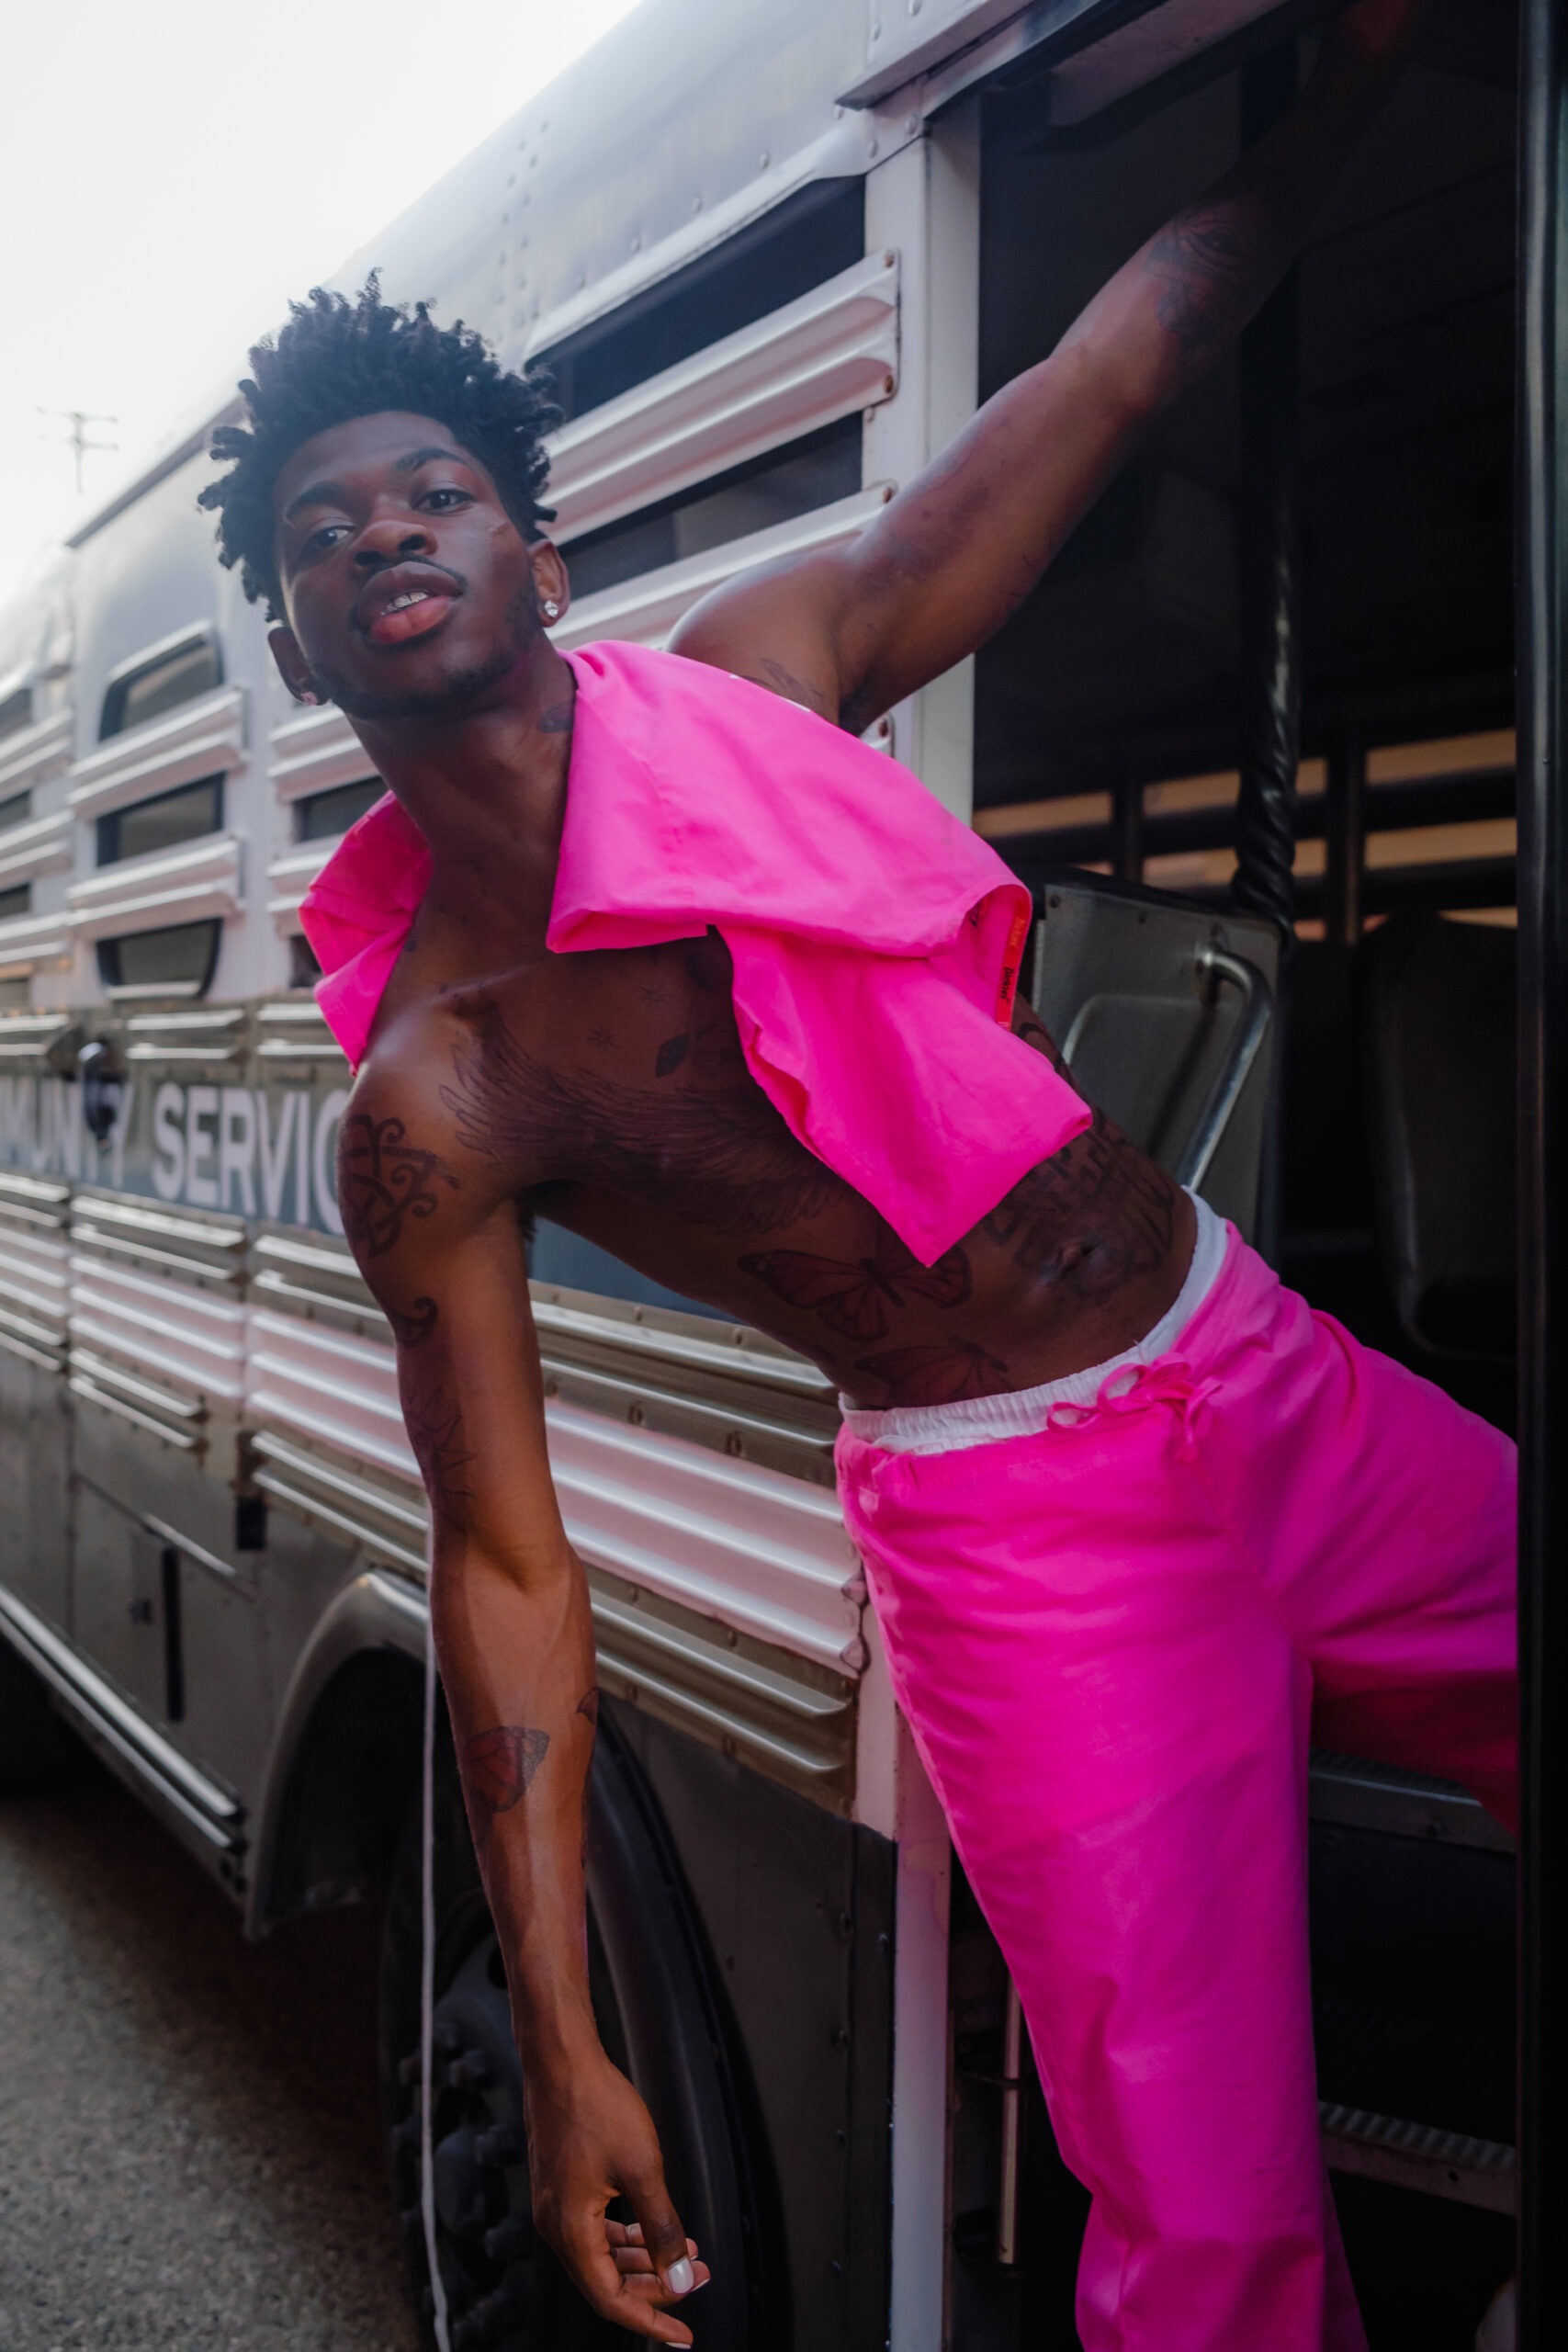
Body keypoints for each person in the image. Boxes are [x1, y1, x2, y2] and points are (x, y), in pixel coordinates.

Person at [200, 3, 1514, 2343]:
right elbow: (504, 1568)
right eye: (320, 534)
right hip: (1024, 1530)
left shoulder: (769, 666)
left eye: (425, 491)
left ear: (534, 537)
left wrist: (1349, 95)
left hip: (1258, 1361)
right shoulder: (437, 1097)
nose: (378, 533)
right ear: (304, 651)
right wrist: (575, 2041)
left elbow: (1094, 390)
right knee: (1198, 2206)